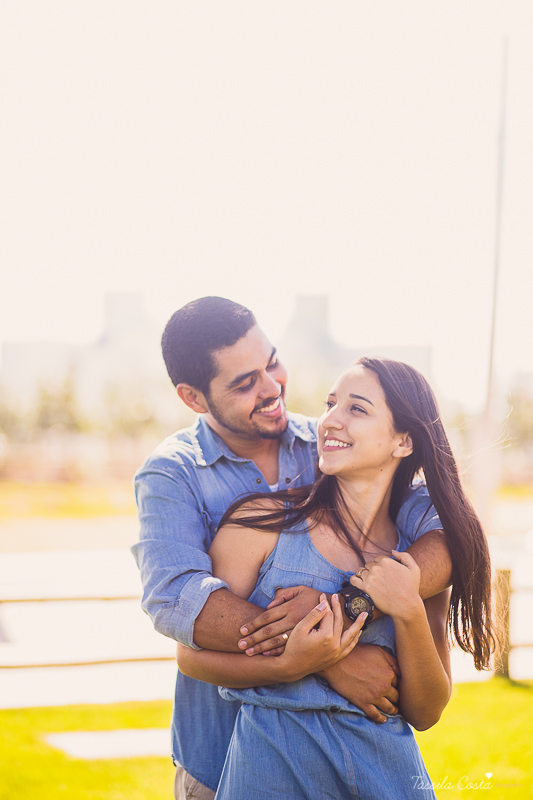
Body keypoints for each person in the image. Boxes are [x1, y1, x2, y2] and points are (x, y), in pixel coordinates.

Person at [132, 297, 451, 800]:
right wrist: (327, 655)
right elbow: (179, 602)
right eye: (244, 383)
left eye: (272, 362)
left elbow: (449, 536)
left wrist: (347, 606)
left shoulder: (328, 445)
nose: (272, 387)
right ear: (194, 398)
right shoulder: (174, 473)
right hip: (223, 757)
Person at [178, 357, 495, 800]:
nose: (329, 421)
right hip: (270, 773)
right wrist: (294, 663)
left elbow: (426, 711)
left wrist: (405, 608)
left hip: (387, 777)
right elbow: (191, 659)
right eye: (331, 404)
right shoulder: (259, 524)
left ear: (403, 441)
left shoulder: (415, 560)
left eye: (356, 409)